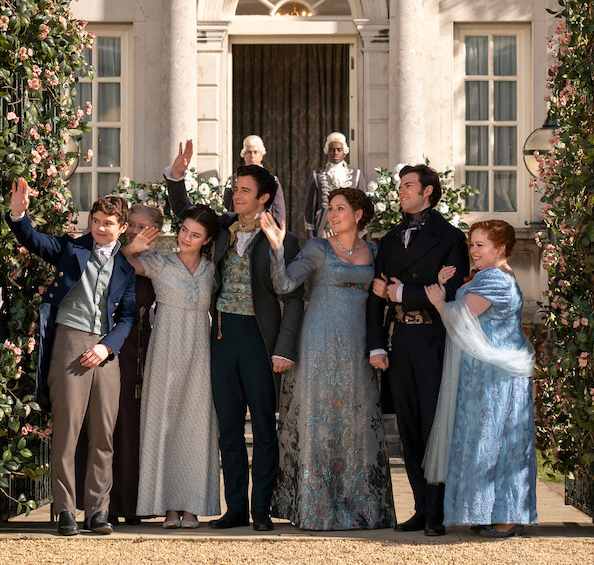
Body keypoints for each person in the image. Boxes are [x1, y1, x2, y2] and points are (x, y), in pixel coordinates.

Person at [165, 139, 305, 532]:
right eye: (235, 188)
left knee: (263, 427)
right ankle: (235, 509)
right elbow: (186, 215)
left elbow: (293, 300)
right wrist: (177, 177)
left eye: (244, 190)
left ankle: (260, 509)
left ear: (263, 198)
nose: (235, 194)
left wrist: (284, 349)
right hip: (223, 335)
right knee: (228, 426)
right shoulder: (223, 228)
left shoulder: (285, 239)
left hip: (261, 340)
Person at [259, 188, 396, 530]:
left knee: (356, 424)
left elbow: (383, 299)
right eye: (330, 209)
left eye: (340, 209)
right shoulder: (318, 247)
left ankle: (362, 509)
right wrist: (277, 247)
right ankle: (314, 508)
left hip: (358, 345)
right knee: (318, 423)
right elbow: (285, 284)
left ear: (359, 214)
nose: (333, 215)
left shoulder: (375, 251)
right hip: (318, 342)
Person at [5, 180, 136, 536]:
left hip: (106, 353)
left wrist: (107, 347)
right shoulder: (70, 249)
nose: (99, 228)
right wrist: (19, 214)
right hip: (69, 341)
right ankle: (65, 511)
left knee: (104, 435)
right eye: (96, 221)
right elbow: (34, 241)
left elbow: (127, 318)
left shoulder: (125, 269)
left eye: (108, 223)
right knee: (66, 432)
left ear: (121, 227)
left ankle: (98, 512)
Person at [367, 164, 469, 537]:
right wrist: (376, 343)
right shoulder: (390, 239)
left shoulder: (451, 238)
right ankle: (420, 507)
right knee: (408, 429)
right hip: (398, 344)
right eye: (400, 186)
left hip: (433, 342)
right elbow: (373, 297)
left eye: (408, 186)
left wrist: (398, 293)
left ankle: (437, 512)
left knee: (433, 427)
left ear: (428, 191)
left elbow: (452, 292)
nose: (401, 191)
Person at [424, 220, 537, 538]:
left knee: (496, 441)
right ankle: (492, 512)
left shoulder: (495, 279)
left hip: (494, 377)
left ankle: (508, 515)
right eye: (471, 244)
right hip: (488, 374)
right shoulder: (495, 275)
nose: (472, 251)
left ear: (499, 249)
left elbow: (460, 317)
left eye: (480, 245)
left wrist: (438, 301)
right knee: (489, 441)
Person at [122, 205, 222, 529]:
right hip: (164, 348)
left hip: (200, 351)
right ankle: (167, 507)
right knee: (163, 424)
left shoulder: (212, 270)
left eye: (195, 234)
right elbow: (114, 266)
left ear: (206, 240)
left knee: (196, 427)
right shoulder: (159, 262)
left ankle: (191, 506)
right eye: (183, 230)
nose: (186, 238)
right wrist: (131, 247)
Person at [106, 204, 164, 525]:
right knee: (115, 423)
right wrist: (127, 250)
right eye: (132, 225)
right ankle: (112, 505)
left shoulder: (158, 263)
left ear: (156, 231)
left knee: (137, 426)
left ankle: (137, 505)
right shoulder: (111, 253)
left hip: (146, 348)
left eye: (144, 227)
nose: (136, 231)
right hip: (115, 345)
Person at [302, 132, 366, 239]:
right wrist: (311, 235)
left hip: (350, 229)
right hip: (325, 230)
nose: (335, 153)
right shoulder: (317, 175)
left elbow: (364, 206)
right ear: (327, 152)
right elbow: (309, 209)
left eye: (339, 150)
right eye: (332, 150)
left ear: (344, 152)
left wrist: (361, 233)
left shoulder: (356, 175)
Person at [222, 135, 286, 226]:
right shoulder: (233, 180)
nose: (252, 156)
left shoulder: (272, 180)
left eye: (255, 152)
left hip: (264, 228)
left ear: (261, 155)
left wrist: (278, 230)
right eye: (249, 152)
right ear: (244, 155)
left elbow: (279, 209)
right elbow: (226, 207)